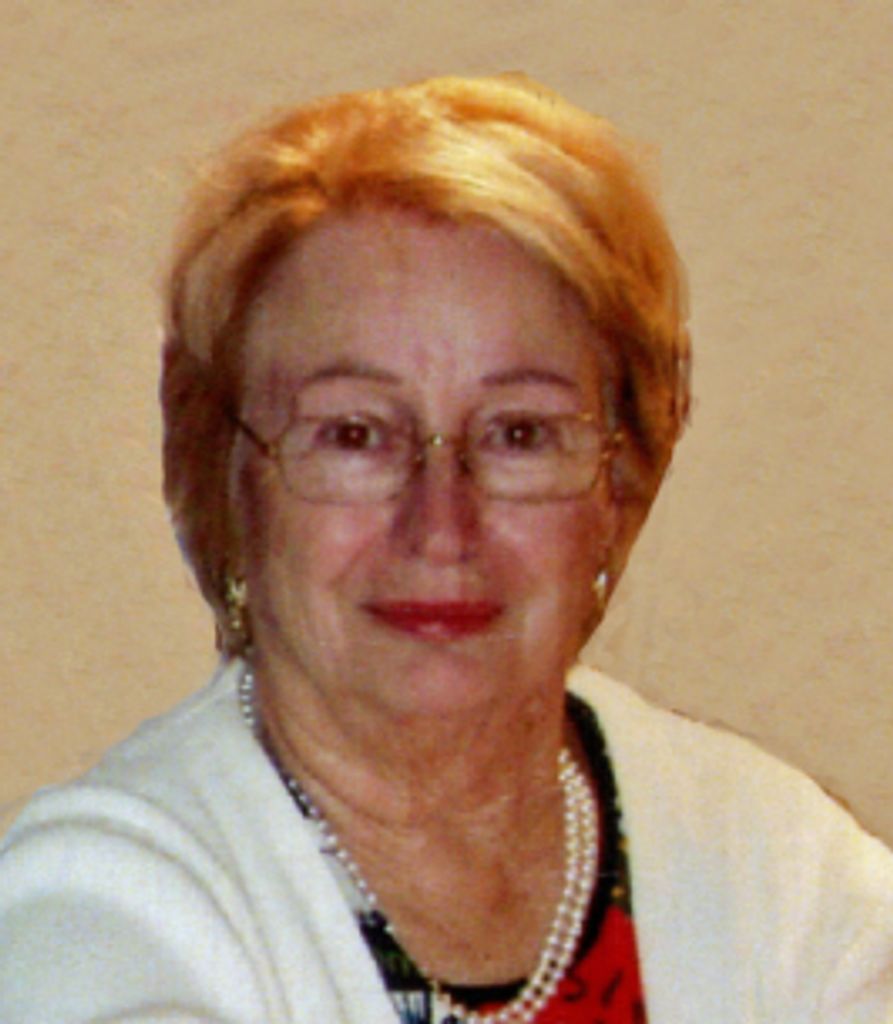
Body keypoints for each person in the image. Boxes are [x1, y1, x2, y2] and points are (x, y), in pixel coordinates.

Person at [1, 73, 891, 1024]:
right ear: (228, 480)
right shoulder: (98, 913)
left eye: (519, 434)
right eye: (353, 434)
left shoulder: (777, 871)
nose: (440, 526)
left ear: (620, 478)